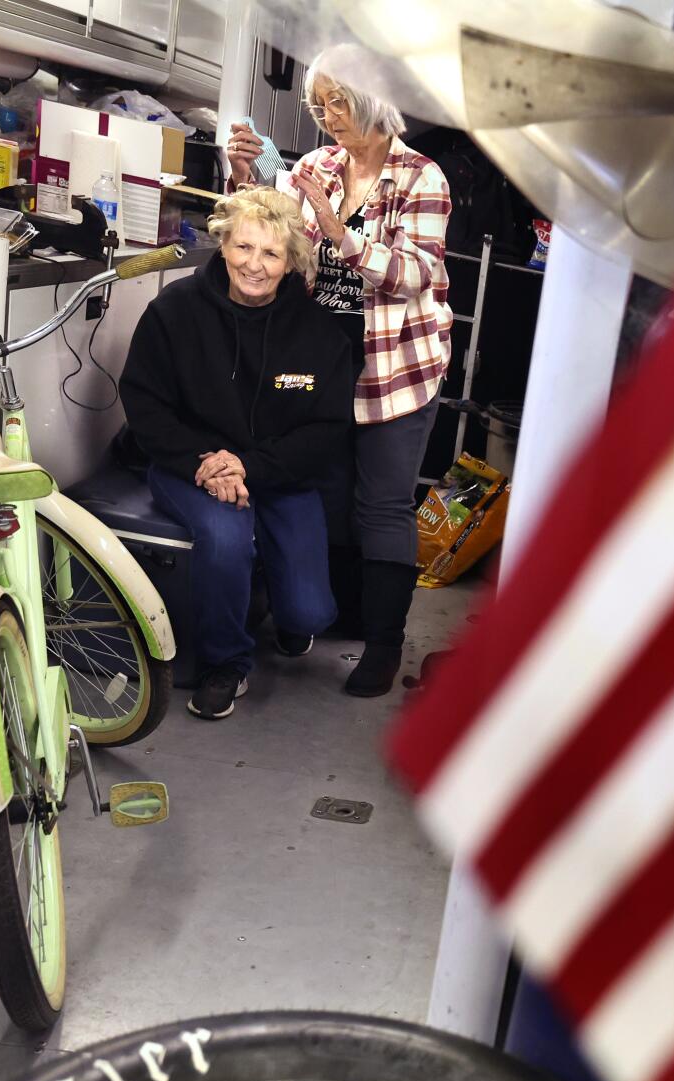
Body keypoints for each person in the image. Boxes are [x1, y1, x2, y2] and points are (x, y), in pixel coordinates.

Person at [227, 46, 454, 697]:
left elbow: (414, 274)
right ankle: (307, 616)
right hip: (320, 358)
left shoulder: (423, 177)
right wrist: (247, 183)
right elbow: (280, 240)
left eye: (338, 101)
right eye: (318, 104)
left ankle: (382, 646)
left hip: (397, 362)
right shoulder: (314, 166)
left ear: (374, 99)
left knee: (382, 501)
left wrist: (339, 229)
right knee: (315, 487)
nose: (327, 116)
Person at [119, 189, 358, 720]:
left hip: (278, 472)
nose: (254, 265)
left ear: (292, 261)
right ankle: (226, 664)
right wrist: (204, 463)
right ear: (223, 244)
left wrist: (251, 466)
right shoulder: (174, 311)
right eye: (243, 247)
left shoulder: (320, 335)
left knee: (310, 614)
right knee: (226, 536)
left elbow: (325, 431)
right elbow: (145, 405)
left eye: (271, 254)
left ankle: (269, 594)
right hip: (191, 466)